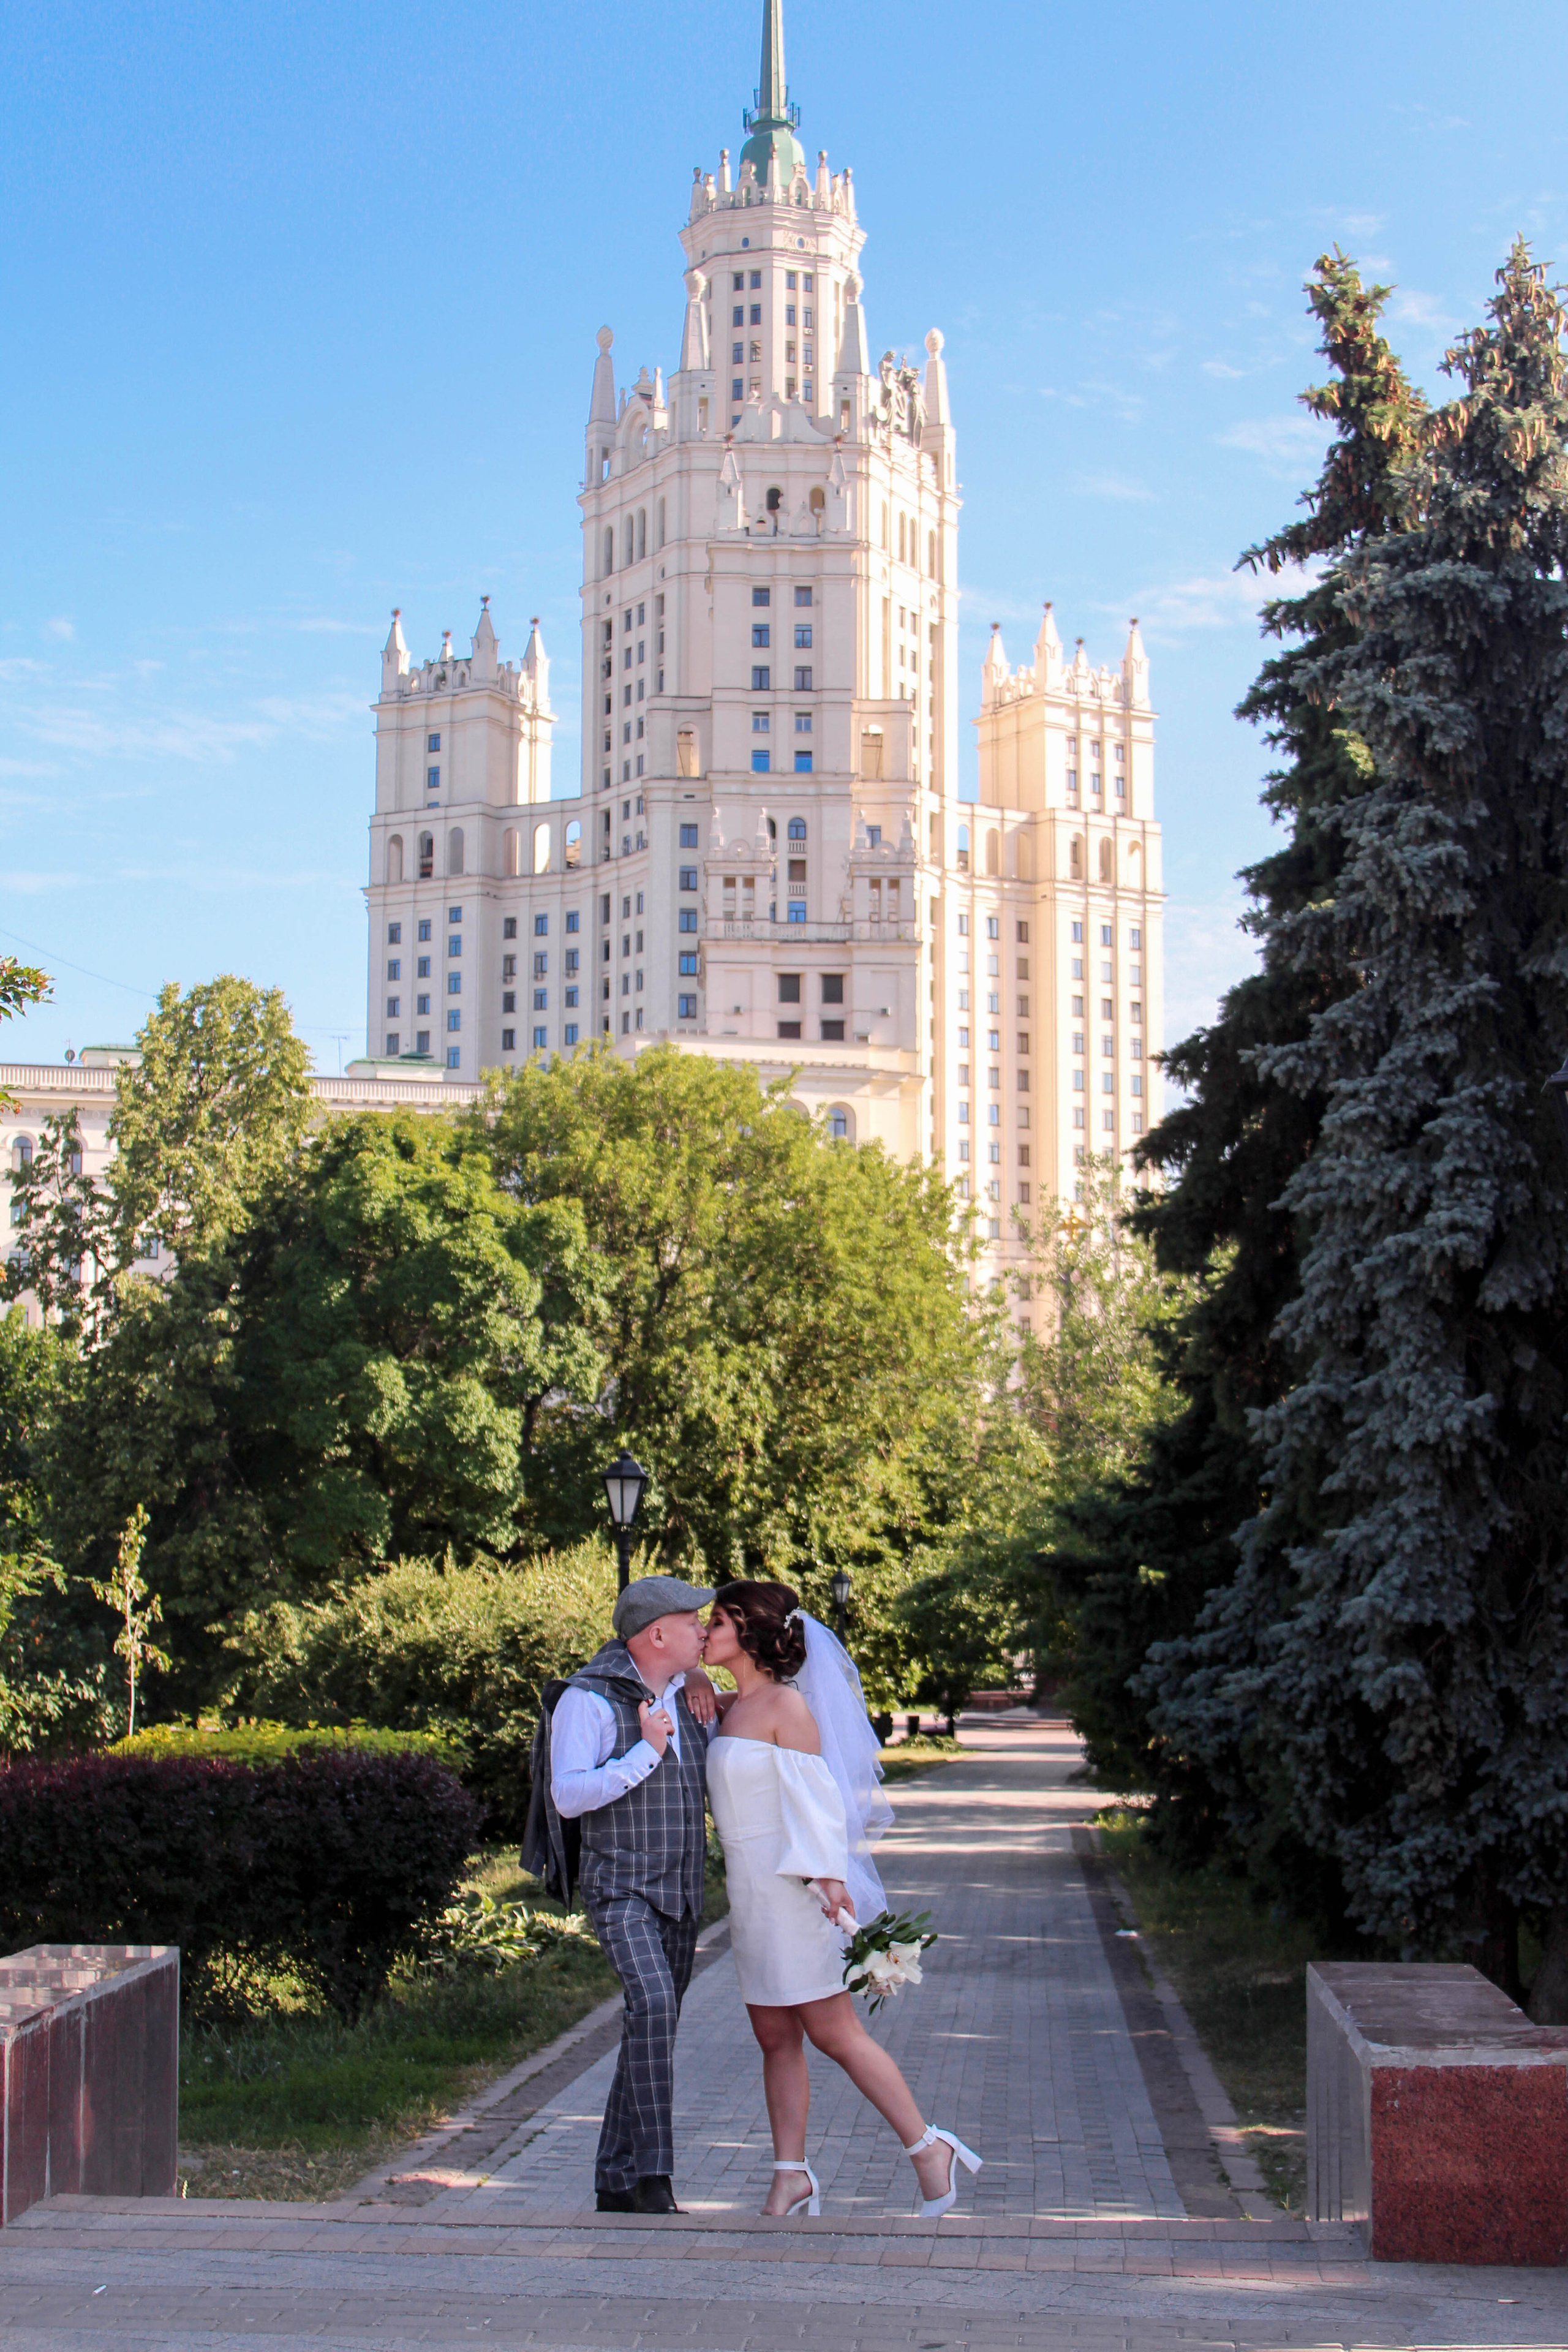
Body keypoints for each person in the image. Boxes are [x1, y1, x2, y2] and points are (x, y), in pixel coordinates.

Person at [703, 1579, 982, 2219]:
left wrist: (830, 1881)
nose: (706, 1632)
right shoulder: (730, 1705)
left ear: (748, 1633)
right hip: (748, 1895)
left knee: (836, 2035)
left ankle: (926, 2147)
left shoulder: (785, 1707)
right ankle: (789, 2176)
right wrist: (702, 1691)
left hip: (794, 1893)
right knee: (773, 2035)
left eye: (717, 1622)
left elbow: (817, 1803)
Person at [533, 1573, 718, 2215]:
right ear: (657, 1632)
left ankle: (614, 2177)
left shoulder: (688, 1694)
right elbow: (568, 1795)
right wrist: (645, 1753)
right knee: (654, 2005)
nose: (704, 1628)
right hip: (620, 1889)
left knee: (651, 2023)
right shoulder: (585, 1700)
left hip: (681, 1892)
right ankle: (653, 2178)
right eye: (694, 1620)